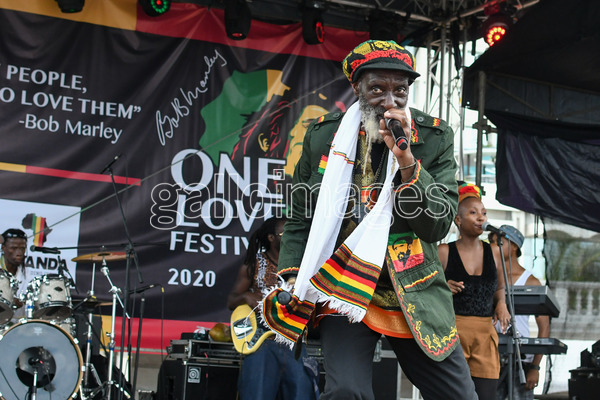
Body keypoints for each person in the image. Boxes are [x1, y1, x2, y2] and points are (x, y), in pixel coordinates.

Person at [262, 40, 477, 400]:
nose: (389, 100)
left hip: (412, 286)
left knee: (460, 397)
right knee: (346, 391)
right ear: (357, 88)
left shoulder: (434, 138)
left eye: (399, 90)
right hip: (342, 283)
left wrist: (407, 159)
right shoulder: (322, 136)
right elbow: (300, 215)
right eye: (377, 88)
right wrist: (291, 275)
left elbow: (437, 226)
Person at [227, 217, 319, 400]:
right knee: (257, 394)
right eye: (285, 233)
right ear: (271, 237)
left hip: (293, 340)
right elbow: (231, 301)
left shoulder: (303, 267)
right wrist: (246, 296)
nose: (291, 236)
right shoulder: (253, 264)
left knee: (301, 393)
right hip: (262, 342)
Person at [438, 183, 511, 400]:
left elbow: (499, 285)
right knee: (450, 394)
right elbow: (427, 288)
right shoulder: (444, 251)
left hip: (484, 334)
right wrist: (444, 287)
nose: (481, 218)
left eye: (484, 213)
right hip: (453, 332)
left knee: (486, 393)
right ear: (458, 220)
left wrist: (501, 303)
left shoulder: (495, 251)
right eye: (473, 212)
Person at [490, 225, 550, 400]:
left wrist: (535, 367)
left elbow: (544, 327)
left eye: (498, 242)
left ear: (514, 246)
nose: (494, 246)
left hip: (521, 359)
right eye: (492, 242)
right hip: (492, 354)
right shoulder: (489, 275)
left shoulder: (531, 281)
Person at [0, 228, 29, 322]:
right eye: (14, 248)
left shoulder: (27, 273)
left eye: (22, 248)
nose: (19, 253)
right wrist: (9, 300)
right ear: (3, 248)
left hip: (16, 328)